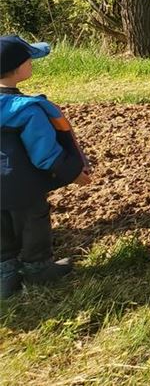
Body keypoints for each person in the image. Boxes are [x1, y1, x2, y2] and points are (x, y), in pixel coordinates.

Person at [0, 35, 90, 299]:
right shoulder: (27, 110)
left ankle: (6, 277)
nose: (32, 62)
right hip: (22, 188)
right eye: (29, 59)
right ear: (19, 69)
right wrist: (72, 173)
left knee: (2, 232)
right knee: (32, 223)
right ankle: (38, 268)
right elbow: (44, 154)